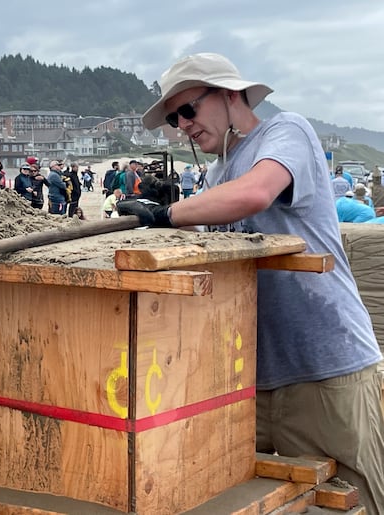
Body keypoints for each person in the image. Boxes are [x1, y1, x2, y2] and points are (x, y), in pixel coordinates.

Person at [121, 52, 384, 512]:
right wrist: (168, 221)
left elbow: (256, 192)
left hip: (325, 366)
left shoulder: (286, 132)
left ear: (228, 93)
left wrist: (167, 213)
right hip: (252, 378)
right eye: (174, 118)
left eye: (188, 110)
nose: (182, 124)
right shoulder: (220, 173)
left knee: (354, 502)